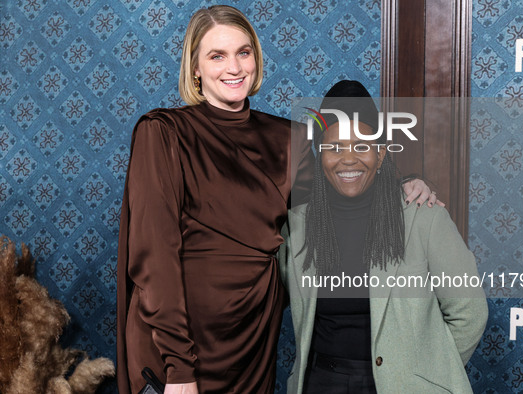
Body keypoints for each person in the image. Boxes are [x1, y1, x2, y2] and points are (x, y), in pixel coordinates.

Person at [116, 6, 439, 394]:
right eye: (217, 56)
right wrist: (179, 367)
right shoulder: (163, 133)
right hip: (177, 346)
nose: (234, 67)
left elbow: (348, 185)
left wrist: (406, 182)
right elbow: (153, 258)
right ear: (195, 68)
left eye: (244, 52)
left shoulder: (294, 141)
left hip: (251, 340)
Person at [279, 80, 488, 394]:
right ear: (320, 157)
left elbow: (469, 312)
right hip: (320, 382)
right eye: (334, 147)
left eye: (362, 146)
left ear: (380, 154)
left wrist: (423, 374)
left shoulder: (423, 217)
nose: (348, 159)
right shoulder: (297, 228)